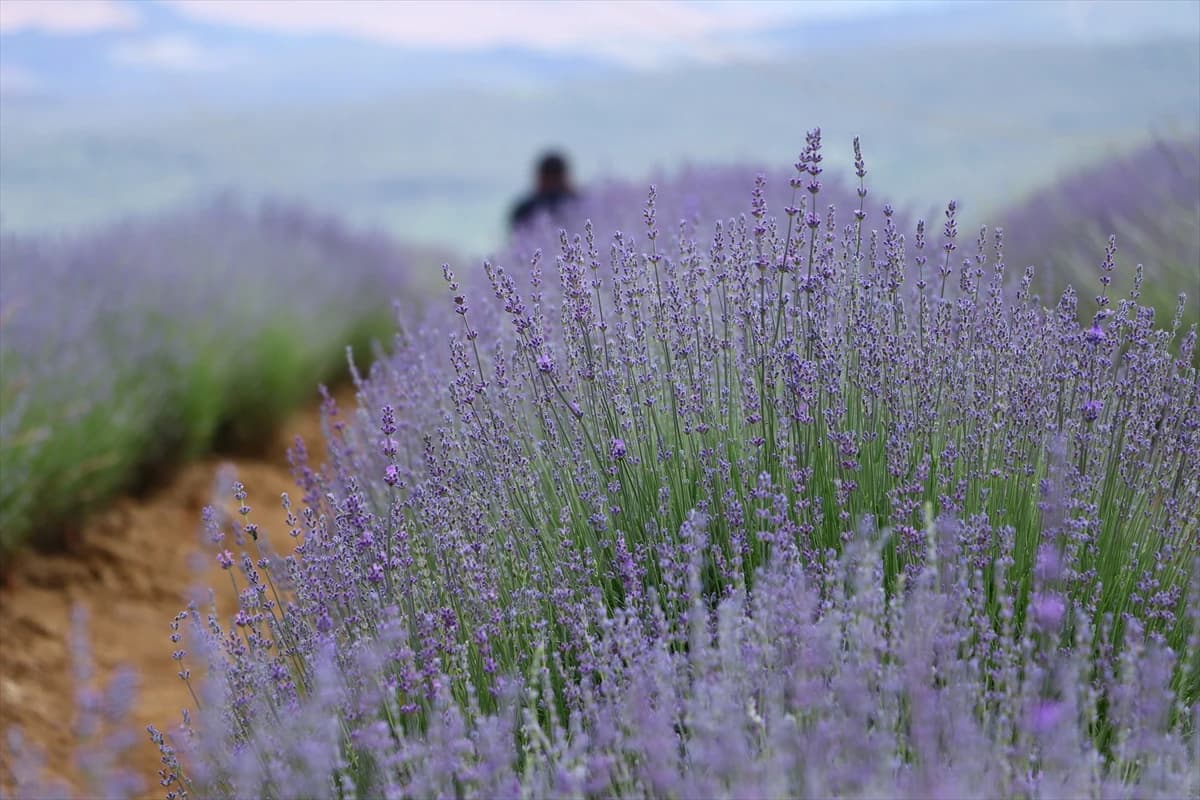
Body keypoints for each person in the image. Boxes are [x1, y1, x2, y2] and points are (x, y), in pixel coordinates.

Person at [510, 151, 577, 231]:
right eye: (549, 178)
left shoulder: (578, 204)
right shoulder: (526, 209)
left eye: (555, 178)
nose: (553, 184)